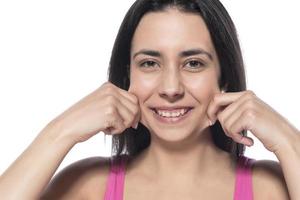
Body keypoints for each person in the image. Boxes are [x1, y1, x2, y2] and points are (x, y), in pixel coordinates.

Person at [0, 0, 299, 199]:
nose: (171, 88)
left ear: (224, 78)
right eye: (149, 63)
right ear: (126, 76)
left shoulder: (269, 188)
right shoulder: (87, 186)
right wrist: (60, 131)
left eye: (193, 63)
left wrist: (288, 139)